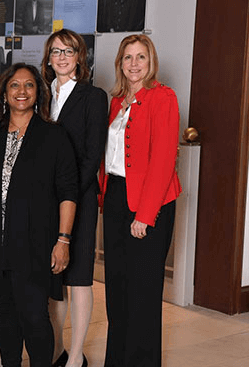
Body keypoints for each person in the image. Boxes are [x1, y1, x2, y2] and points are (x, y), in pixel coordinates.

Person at [0, 63, 78, 367]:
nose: (22, 91)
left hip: (34, 243)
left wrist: (63, 240)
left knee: (33, 314)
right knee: (5, 314)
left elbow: (68, 193)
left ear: (38, 92)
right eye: (14, 86)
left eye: (29, 85)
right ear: (4, 93)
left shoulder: (54, 136)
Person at [100, 34, 181, 367]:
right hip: (117, 198)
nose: (134, 64)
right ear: (120, 63)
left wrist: (145, 215)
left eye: (141, 58)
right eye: (128, 58)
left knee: (143, 295)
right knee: (117, 292)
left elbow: (163, 162)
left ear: (151, 63)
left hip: (151, 203)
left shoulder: (164, 98)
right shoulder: (117, 100)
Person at [41, 29, 108, 367]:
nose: (63, 57)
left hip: (79, 200)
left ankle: (76, 355)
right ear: (48, 58)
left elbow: (92, 155)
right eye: (56, 51)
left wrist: (66, 197)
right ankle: (57, 350)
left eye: (69, 51)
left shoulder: (93, 97)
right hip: (43, 203)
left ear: (80, 57)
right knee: (53, 282)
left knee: (79, 278)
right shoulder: (39, 95)